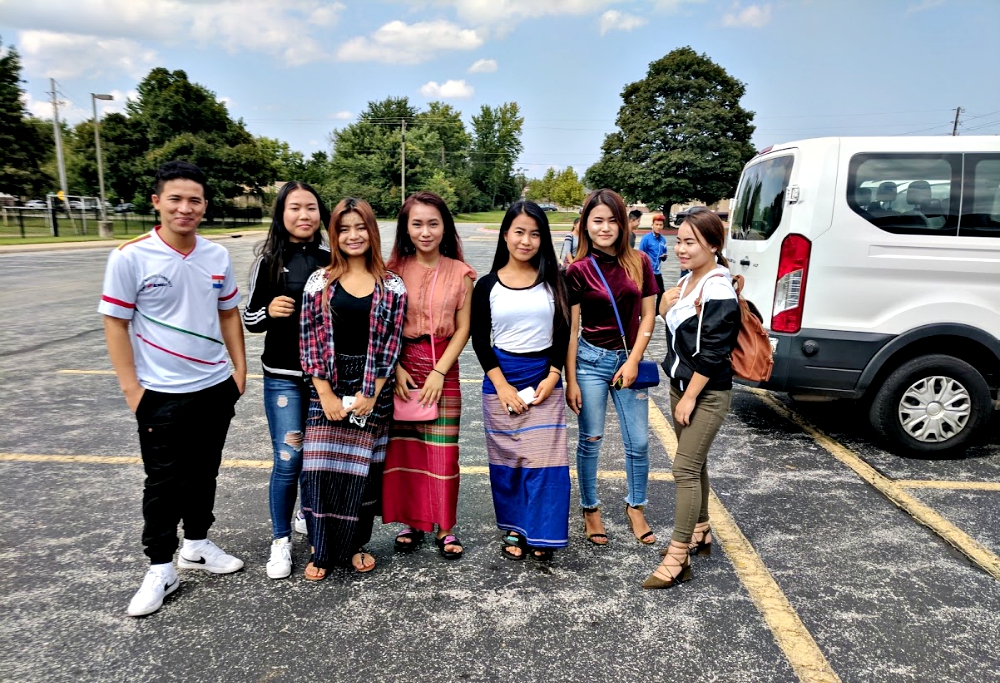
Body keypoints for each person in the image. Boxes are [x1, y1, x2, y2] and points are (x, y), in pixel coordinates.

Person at [99, 160, 246, 617]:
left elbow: (228, 314)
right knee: (163, 482)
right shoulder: (131, 256)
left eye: (195, 200)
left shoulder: (216, 256)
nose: (185, 208)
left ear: (205, 206)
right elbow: (115, 323)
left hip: (214, 386)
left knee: (204, 472)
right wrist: (132, 390)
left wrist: (238, 372)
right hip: (159, 393)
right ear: (157, 202)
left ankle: (198, 544)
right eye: (176, 199)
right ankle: (161, 566)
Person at [298, 197, 407, 579]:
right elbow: (309, 339)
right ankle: (322, 549)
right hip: (327, 381)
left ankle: (357, 544)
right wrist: (325, 394)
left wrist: (372, 393)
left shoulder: (391, 285)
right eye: (344, 229)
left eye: (360, 227)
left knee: (363, 472)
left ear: (372, 231)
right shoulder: (319, 281)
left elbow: (391, 343)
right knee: (320, 471)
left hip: (371, 384)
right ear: (334, 234)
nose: (353, 235)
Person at [644, 210, 740, 589]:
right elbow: (673, 326)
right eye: (678, 240)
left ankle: (677, 556)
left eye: (690, 242)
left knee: (683, 468)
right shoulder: (687, 282)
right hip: (681, 386)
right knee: (694, 464)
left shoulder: (718, 288)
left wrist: (690, 397)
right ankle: (701, 529)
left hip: (707, 392)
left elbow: (715, 351)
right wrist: (665, 306)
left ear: (713, 245)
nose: (680, 248)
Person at [471, 200, 571, 561]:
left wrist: (554, 374)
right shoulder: (486, 286)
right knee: (509, 462)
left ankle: (543, 534)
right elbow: (480, 339)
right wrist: (501, 385)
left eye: (535, 233)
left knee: (545, 463)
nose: (526, 240)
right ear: (505, 235)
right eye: (519, 232)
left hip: (543, 379)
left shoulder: (554, 282)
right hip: (501, 380)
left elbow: (562, 331)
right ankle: (516, 528)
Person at [242, 181, 331, 579]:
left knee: (317, 461)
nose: (304, 216)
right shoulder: (269, 261)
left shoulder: (333, 259)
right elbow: (249, 318)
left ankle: (310, 521)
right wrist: (269, 312)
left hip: (325, 379)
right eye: (295, 208)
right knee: (288, 458)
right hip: (283, 377)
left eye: (311, 208)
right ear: (281, 214)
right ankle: (280, 541)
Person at [383, 192, 477, 559]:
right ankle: (411, 521)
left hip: (443, 367)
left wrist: (439, 371)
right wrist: (397, 369)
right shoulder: (391, 272)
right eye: (417, 223)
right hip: (402, 367)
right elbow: (385, 327)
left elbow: (464, 328)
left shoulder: (461, 272)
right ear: (406, 228)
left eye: (433, 223)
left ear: (445, 227)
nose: (425, 232)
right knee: (406, 450)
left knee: (442, 453)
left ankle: (445, 527)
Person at [565, 189, 658, 547]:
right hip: (589, 362)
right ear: (586, 225)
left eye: (612, 220)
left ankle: (636, 506)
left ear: (623, 223)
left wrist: (633, 360)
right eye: (597, 220)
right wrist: (571, 378)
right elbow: (572, 330)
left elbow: (649, 315)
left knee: (639, 442)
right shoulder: (577, 270)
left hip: (628, 362)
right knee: (590, 440)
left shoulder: (639, 262)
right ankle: (590, 508)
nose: (605, 228)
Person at [638, 213, 669, 317]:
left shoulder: (663, 240)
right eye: (657, 224)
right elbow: (640, 255)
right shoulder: (646, 239)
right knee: (644, 293)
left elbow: (664, 254)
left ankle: (656, 313)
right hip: (647, 271)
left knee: (661, 293)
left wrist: (664, 257)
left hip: (657, 271)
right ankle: (639, 312)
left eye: (660, 225)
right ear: (652, 225)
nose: (658, 227)